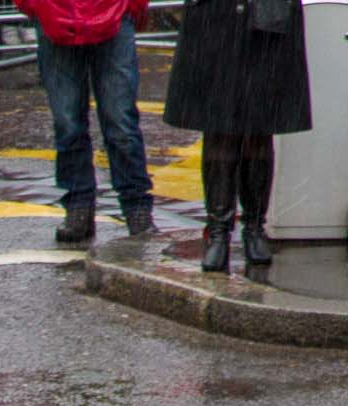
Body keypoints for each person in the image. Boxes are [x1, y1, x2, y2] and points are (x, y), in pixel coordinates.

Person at [162, 0, 312, 271]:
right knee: (219, 125)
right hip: (216, 16)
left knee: (260, 125)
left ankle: (255, 227)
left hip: (268, 16)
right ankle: (218, 230)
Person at [15, 0, 156, 244]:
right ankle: (85, 205)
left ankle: (134, 208)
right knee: (71, 123)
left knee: (118, 122)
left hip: (105, 14)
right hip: (58, 16)